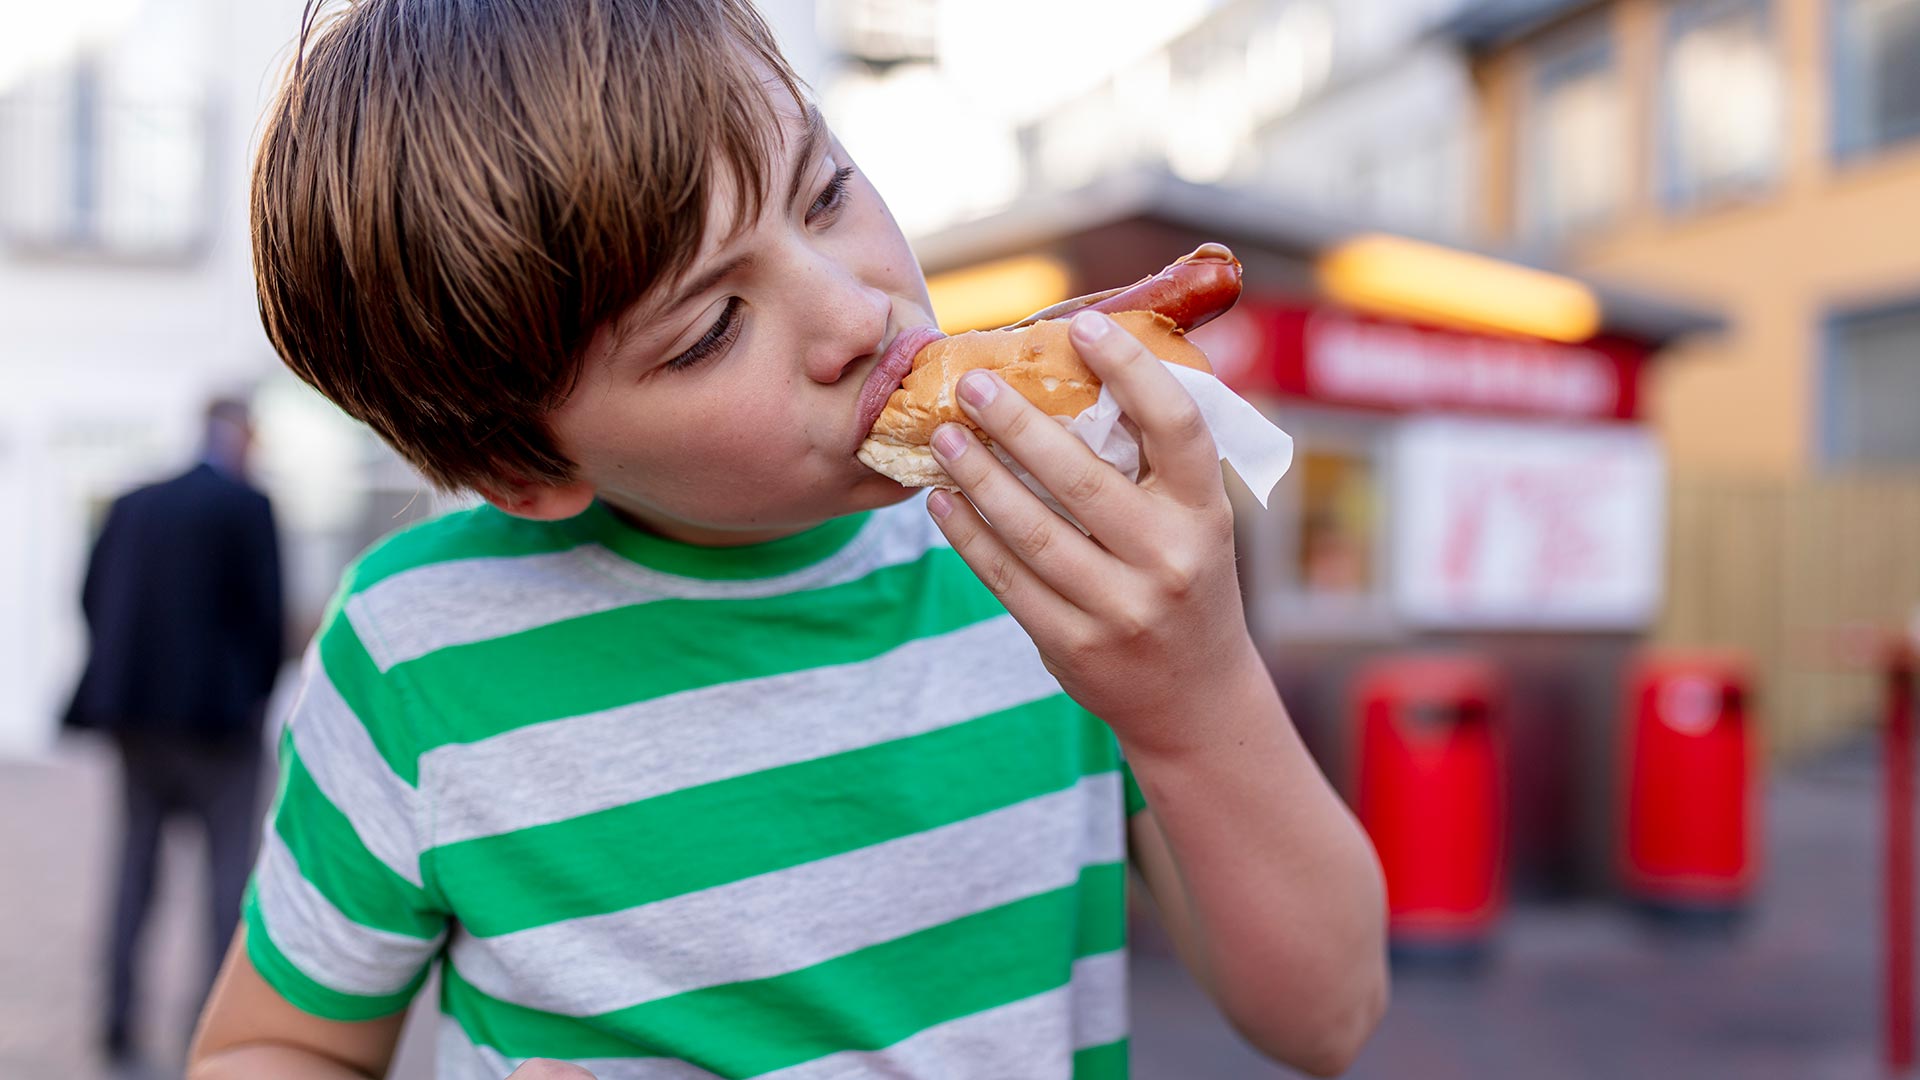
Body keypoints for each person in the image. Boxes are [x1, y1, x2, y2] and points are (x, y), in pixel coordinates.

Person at [188, 2, 1389, 1078]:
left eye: (825, 192)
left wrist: (1193, 691)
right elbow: (271, 1044)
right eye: (713, 326)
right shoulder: (417, 654)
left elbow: (1324, 1018)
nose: (857, 312)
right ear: (523, 463)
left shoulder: (1058, 560)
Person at [66, 396, 284, 1067]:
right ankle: (214, 1034)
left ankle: (116, 1022)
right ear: (239, 432)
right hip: (218, 728)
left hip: (136, 722)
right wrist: (249, 695)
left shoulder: (134, 502)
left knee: (133, 873)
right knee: (227, 885)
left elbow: (87, 596)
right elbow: (267, 616)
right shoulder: (247, 506)